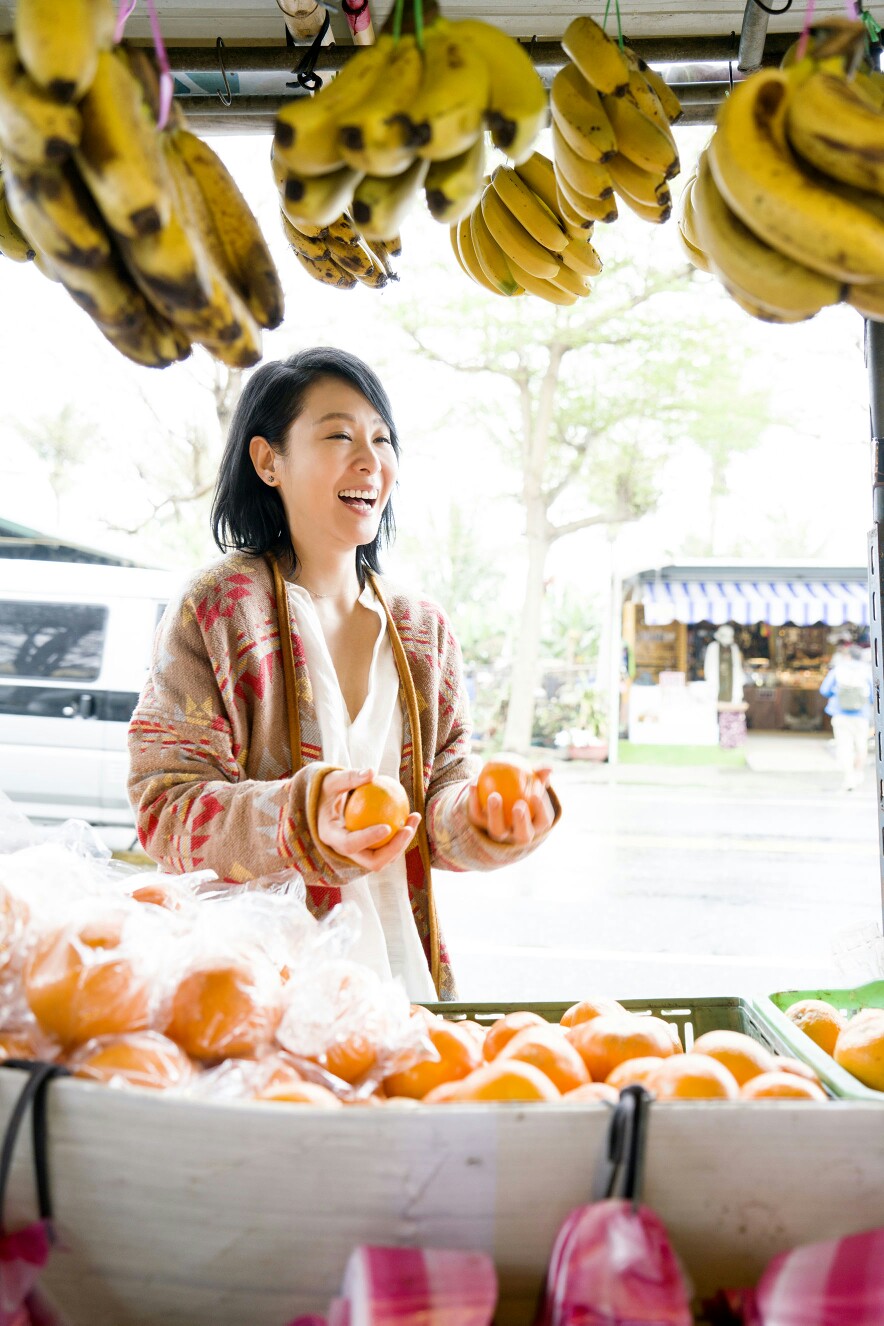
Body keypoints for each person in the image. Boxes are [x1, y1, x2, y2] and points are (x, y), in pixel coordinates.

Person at [128, 348, 560, 1000]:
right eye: (339, 435)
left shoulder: (422, 630)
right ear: (268, 460)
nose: (371, 460)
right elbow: (166, 812)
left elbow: (437, 811)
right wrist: (305, 818)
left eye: (382, 440)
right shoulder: (214, 609)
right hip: (250, 997)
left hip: (397, 988)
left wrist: (484, 818)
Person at [819, 644, 874, 792]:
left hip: (841, 714)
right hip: (861, 715)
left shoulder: (838, 670)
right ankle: (858, 773)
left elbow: (824, 690)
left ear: (848, 656)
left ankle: (849, 778)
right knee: (861, 745)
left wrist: (837, 696)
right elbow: (874, 694)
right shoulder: (867, 671)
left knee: (845, 746)